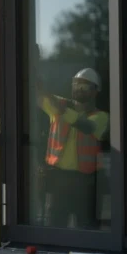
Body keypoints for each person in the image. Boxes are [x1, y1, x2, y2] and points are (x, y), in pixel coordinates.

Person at [36, 67, 108, 229]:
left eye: (84, 86)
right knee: (55, 224)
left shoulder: (101, 117)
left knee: (87, 227)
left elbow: (86, 126)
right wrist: (34, 68)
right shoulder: (59, 107)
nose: (79, 89)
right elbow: (38, 95)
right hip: (58, 178)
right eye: (76, 85)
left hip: (87, 182)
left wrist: (61, 108)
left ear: (96, 91)